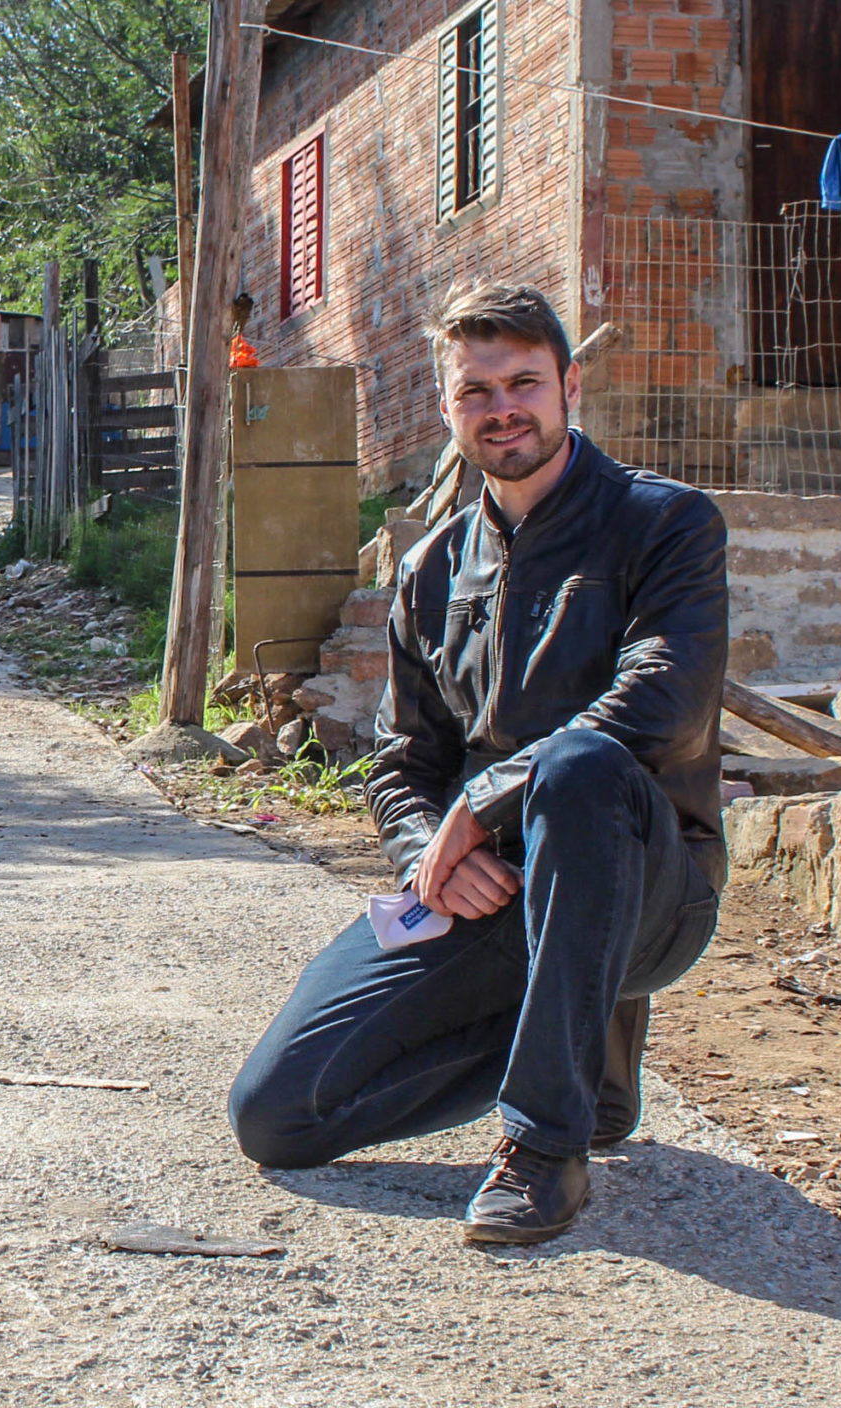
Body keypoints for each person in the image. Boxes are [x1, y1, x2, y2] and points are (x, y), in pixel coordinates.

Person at [228, 283, 726, 1245]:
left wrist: (487, 799)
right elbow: (401, 759)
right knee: (278, 1113)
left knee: (579, 766)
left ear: (569, 386)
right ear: (449, 407)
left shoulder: (666, 526)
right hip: (492, 889)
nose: (503, 409)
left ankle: (546, 1144)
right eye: (476, 391)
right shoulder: (429, 569)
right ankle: (586, 1058)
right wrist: (432, 852)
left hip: (647, 885)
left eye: (524, 383)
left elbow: (666, 705)